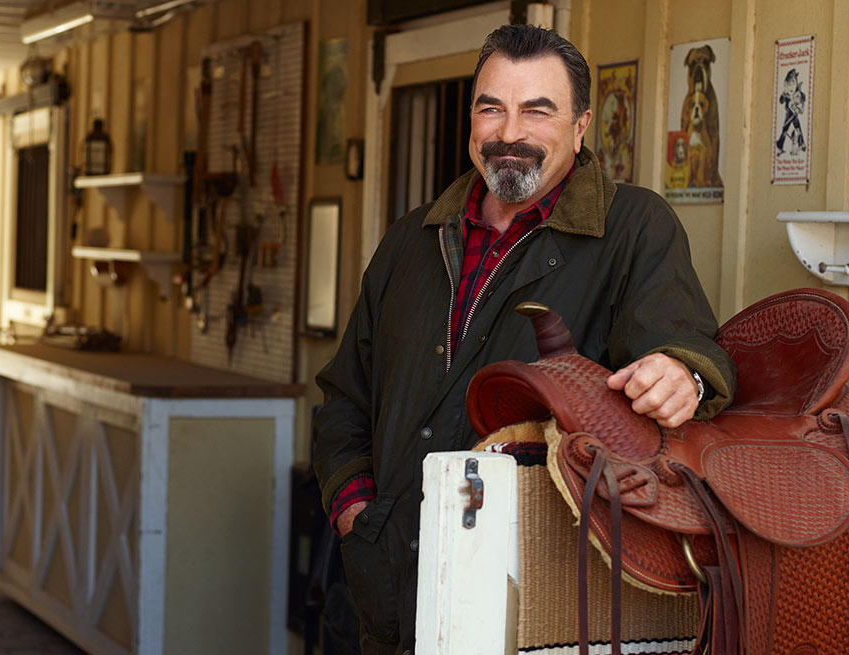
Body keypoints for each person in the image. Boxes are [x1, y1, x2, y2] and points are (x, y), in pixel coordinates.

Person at [312, 24, 736, 655]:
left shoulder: (634, 228)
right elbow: (346, 396)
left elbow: (681, 344)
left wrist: (683, 374)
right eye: (492, 108)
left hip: (534, 590)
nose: (510, 132)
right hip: (380, 580)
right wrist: (355, 510)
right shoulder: (410, 240)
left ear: (582, 123)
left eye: (538, 110)